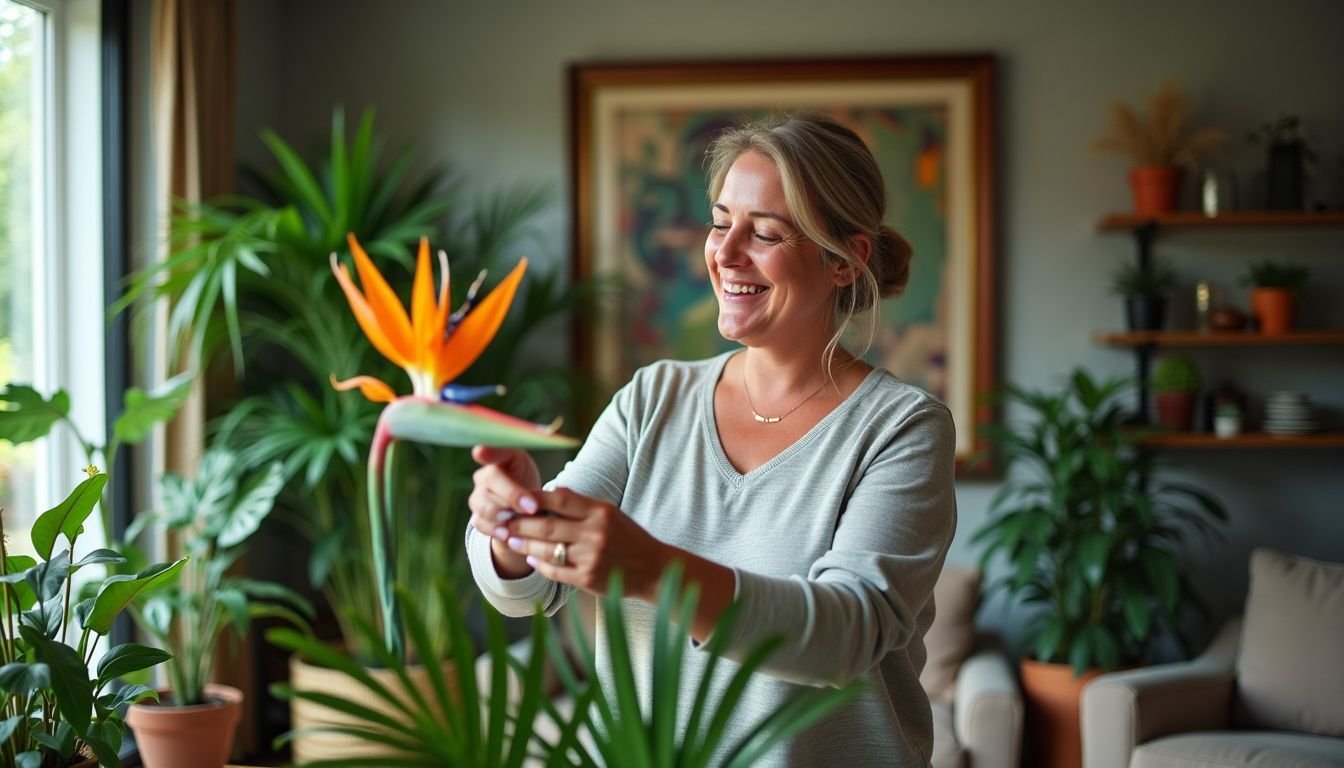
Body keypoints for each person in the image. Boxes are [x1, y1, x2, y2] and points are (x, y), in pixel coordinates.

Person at [466, 111, 956, 767]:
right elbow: (528, 591)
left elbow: (846, 634)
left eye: (767, 233)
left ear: (845, 260)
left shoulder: (902, 427)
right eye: (722, 222)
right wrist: (514, 524)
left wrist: (651, 569)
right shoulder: (653, 400)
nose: (724, 254)